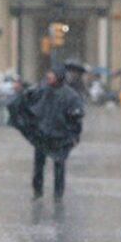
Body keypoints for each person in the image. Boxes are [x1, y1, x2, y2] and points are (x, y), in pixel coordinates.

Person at [30, 64, 84, 200]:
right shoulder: (43, 90)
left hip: (60, 136)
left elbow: (76, 117)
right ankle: (37, 191)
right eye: (48, 73)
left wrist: (75, 135)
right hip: (42, 135)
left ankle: (58, 193)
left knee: (59, 165)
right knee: (38, 165)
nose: (49, 76)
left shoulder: (70, 95)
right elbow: (32, 106)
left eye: (52, 74)